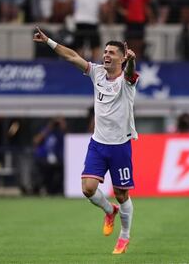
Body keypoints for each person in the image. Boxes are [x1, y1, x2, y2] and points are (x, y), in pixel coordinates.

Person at [33, 27, 139, 254]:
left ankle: (124, 236)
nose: (106, 55)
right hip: (98, 143)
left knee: (122, 194)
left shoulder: (127, 81)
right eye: (105, 51)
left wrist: (131, 62)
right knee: (88, 189)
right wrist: (49, 41)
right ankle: (109, 211)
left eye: (112, 52)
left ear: (122, 57)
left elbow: (130, 74)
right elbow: (72, 56)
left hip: (120, 145)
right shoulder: (97, 73)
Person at [32, 117, 66, 195]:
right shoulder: (45, 131)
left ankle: (55, 191)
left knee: (59, 174)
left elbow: (68, 137)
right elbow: (36, 141)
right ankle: (41, 189)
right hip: (44, 159)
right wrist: (49, 128)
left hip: (58, 159)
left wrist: (62, 124)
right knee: (43, 173)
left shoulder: (59, 133)